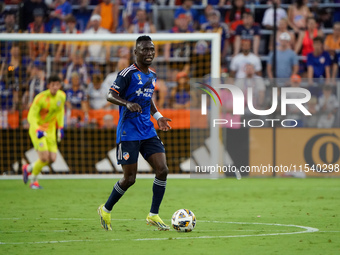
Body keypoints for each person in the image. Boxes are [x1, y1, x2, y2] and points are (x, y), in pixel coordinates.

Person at [97, 35, 172, 231]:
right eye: (145, 50)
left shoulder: (152, 75)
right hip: (128, 133)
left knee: (162, 170)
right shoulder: (127, 73)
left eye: (152, 50)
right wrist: (127, 103)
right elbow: (110, 95)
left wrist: (158, 116)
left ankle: (153, 215)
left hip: (147, 130)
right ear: (136, 52)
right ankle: (106, 208)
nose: (149, 53)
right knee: (130, 179)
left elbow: (148, 99)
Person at [22, 75, 66, 189]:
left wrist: (60, 128)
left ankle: (28, 168)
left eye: (57, 85)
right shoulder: (40, 98)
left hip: (51, 130)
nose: (55, 87)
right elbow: (31, 116)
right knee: (44, 158)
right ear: (48, 86)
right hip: (38, 129)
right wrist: (37, 130)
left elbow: (60, 111)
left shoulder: (61, 96)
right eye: (53, 85)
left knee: (52, 159)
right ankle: (34, 181)